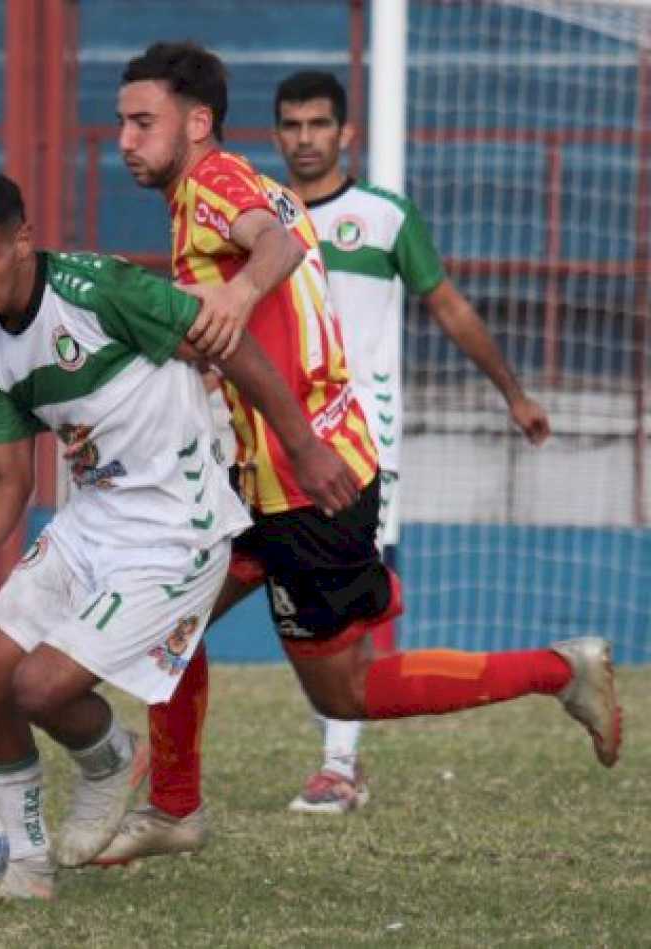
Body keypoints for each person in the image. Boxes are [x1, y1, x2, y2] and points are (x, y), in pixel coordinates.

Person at [93, 41, 621, 866]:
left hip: (309, 484)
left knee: (347, 690)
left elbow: (276, 248)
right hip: (265, 480)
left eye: (140, 121)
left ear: (196, 123)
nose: (123, 138)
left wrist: (235, 292)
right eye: (121, 121)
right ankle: (173, 805)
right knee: (169, 621)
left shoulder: (215, 187)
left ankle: (560, 669)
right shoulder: (227, 184)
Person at [0, 170, 360, 901]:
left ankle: (108, 761)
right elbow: (7, 483)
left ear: (23, 239)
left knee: (39, 687)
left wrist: (306, 446)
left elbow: (230, 345)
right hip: (92, 522)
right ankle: (27, 868)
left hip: (179, 529)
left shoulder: (100, 291)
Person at [273, 69, 553, 813]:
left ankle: (338, 763)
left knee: (348, 600)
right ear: (277, 136)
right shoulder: (260, 217)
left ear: (345, 134)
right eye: (292, 126)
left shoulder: (386, 217)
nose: (305, 139)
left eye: (318, 125)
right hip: (275, 443)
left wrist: (514, 393)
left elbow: (451, 308)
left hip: (362, 450)